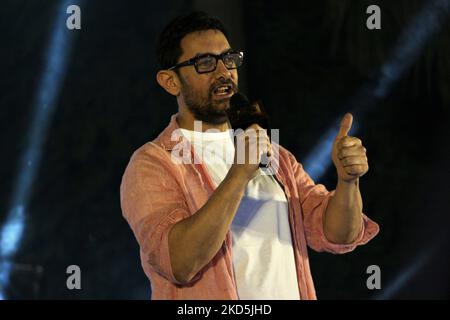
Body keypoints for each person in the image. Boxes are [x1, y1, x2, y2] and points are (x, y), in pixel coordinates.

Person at [120, 11, 379, 300]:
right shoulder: (153, 164)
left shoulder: (276, 155)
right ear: (171, 81)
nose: (224, 73)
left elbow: (338, 234)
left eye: (229, 59)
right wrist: (240, 172)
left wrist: (347, 182)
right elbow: (180, 262)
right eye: (205, 63)